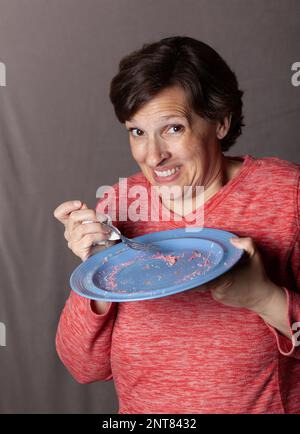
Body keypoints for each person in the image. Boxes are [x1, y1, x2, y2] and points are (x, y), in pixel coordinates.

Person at [53, 36, 300, 414]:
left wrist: (264, 299)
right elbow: (83, 367)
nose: (153, 156)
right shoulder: (119, 206)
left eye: (173, 128)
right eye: (137, 132)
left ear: (220, 122)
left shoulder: (287, 196)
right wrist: (97, 273)